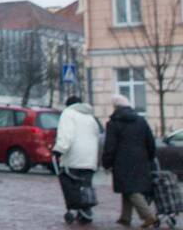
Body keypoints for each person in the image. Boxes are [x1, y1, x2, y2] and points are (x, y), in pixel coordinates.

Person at [102, 94, 157, 228]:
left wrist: (106, 162)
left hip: (122, 161)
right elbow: (150, 142)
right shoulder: (141, 120)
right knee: (128, 187)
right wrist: (150, 157)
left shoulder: (113, 123)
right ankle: (125, 217)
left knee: (131, 189)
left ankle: (148, 215)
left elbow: (110, 146)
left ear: (115, 107)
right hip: (141, 159)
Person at [53, 94, 100, 225]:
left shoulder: (68, 114)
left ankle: (75, 209)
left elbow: (66, 135)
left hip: (74, 157)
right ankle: (86, 210)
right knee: (86, 186)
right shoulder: (90, 117)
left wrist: (59, 150)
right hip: (89, 159)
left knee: (72, 185)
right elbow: (96, 136)